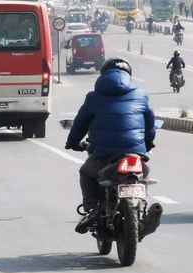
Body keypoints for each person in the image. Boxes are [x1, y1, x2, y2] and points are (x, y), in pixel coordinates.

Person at [64, 57, 155, 234]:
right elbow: (150, 124)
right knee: (145, 174)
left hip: (104, 157)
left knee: (86, 173)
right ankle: (141, 208)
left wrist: (72, 143)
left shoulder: (93, 98)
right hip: (135, 156)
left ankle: (91, 209)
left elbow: (80, 124)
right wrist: (149, 143)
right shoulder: (141, 95)